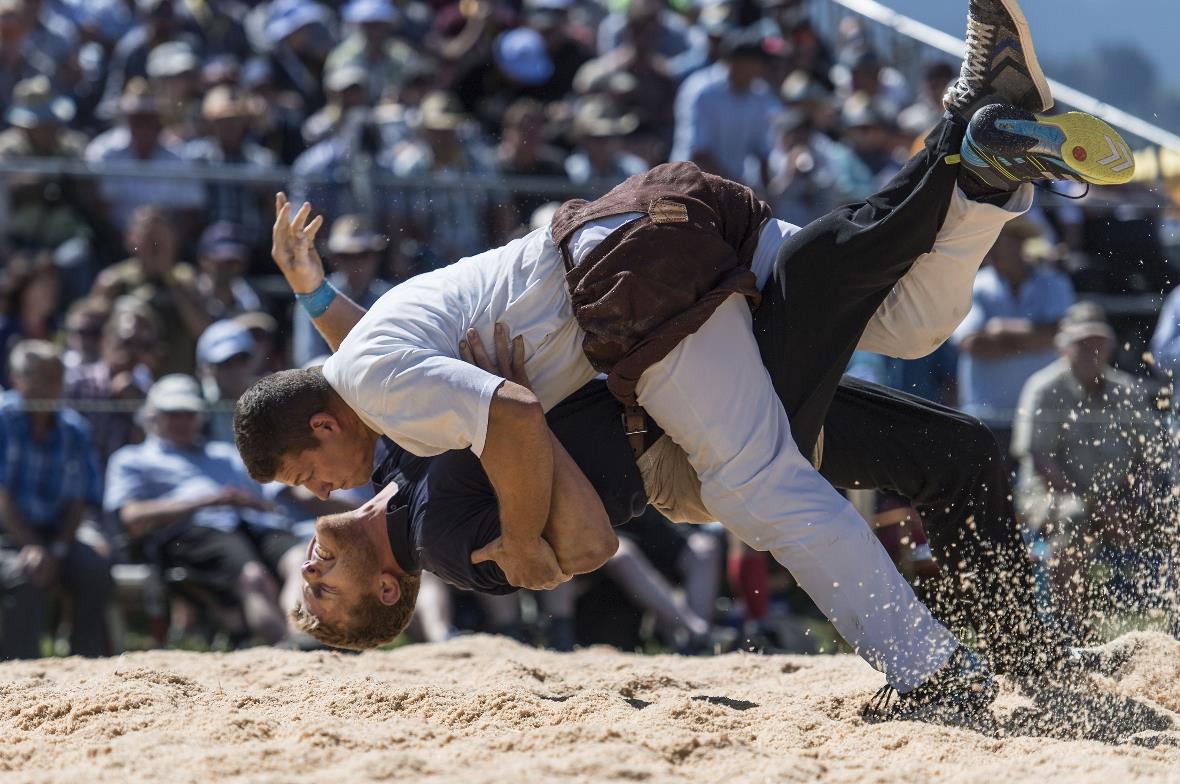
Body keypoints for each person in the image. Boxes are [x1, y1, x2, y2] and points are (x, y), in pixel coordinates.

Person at [238, 0, 1134, 716]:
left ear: (325, 426)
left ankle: (933, 674)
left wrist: (519, 517)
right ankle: (981, 161)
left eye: (296, 475)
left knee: (758, 487)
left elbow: (408, 385)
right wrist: (319, 298)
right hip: (656, 249)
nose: (308, 564)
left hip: (637, 312)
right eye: (326, 602)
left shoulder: (396, 437)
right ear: (388, 588)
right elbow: (405, 394)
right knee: (911, 341)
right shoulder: (429, 521)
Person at [105, 374, 307, 645]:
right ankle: (287, 647)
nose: (183, 421)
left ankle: (304, 637)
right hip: (190, 533)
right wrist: (206, 502)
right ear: (152, 416)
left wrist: (249, 502)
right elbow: (130, 516)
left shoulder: (224, 454)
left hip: (250, 523)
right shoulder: (133, 459)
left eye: (189, 413)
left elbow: (270, 500)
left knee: (301, 559)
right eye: (173, 413)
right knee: (253, 577)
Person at [1012, 303, 1167, 637]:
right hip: (1052, 494)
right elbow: (1043, 464)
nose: (1092, 351)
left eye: (1098, 342)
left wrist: (1136, 503)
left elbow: (1149, 458)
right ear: (1064, 345)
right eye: (1083, 343)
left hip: (1118, 498)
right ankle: (1071, 629)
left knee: (1169, 516)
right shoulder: (1043, 387)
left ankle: (1166, 625)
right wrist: (1101, 504)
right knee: (1070, 521)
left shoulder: (1127, 390)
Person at [0, 341, 111, 660]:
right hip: (7, 538)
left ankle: (87, 666)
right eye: (36, 375)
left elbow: (80, 499)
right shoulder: (3, 420)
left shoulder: (74, 428)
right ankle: (20, 675)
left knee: (94, 568)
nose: (45, 385)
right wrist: (33, 547)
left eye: (54, 376)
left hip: (56, 536)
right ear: (15, 379)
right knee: (26, 573)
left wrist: (57, 548)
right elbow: (2, 497)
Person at [950, 215, 1076, 458]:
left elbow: (1059, 335)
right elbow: (972, 344)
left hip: (1041, 414)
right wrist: (1034, 340)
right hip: (986, 413)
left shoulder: (1054, 283)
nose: (990, 248)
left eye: (998, 240)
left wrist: (1000, 330)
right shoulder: (974, 283)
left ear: (1019, 243)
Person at [670, 28, 780, 190]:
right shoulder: (701, 91)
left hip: (731, 190)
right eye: (759, 62)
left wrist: (767, 193)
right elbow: (699, 154)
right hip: (689, 187)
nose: (763, 68)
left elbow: (761, 150)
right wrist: (738, 189)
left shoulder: (759, 94)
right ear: (738, 62)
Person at [291, 215, 393, 368]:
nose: (356, 263)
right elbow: (309, 359)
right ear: (333, 259)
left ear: (376, 257)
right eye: (346, 256)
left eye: (363, 254)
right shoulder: (311, 296)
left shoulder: (390, 297)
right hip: (328, 387)